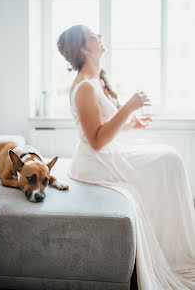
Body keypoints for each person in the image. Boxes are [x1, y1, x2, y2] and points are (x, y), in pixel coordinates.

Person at [57, 24, 195, 289]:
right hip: (94, 161)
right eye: (93, 35)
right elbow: (96, 140)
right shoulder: (84, 88)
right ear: (84, 48)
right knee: (170, 161)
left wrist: (132, 123)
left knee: (170, 158)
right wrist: (129, 106)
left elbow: (105, 123)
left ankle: (175, 245)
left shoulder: (95, 79)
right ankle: (172, 251)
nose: (100, 36)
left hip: (106, 153)